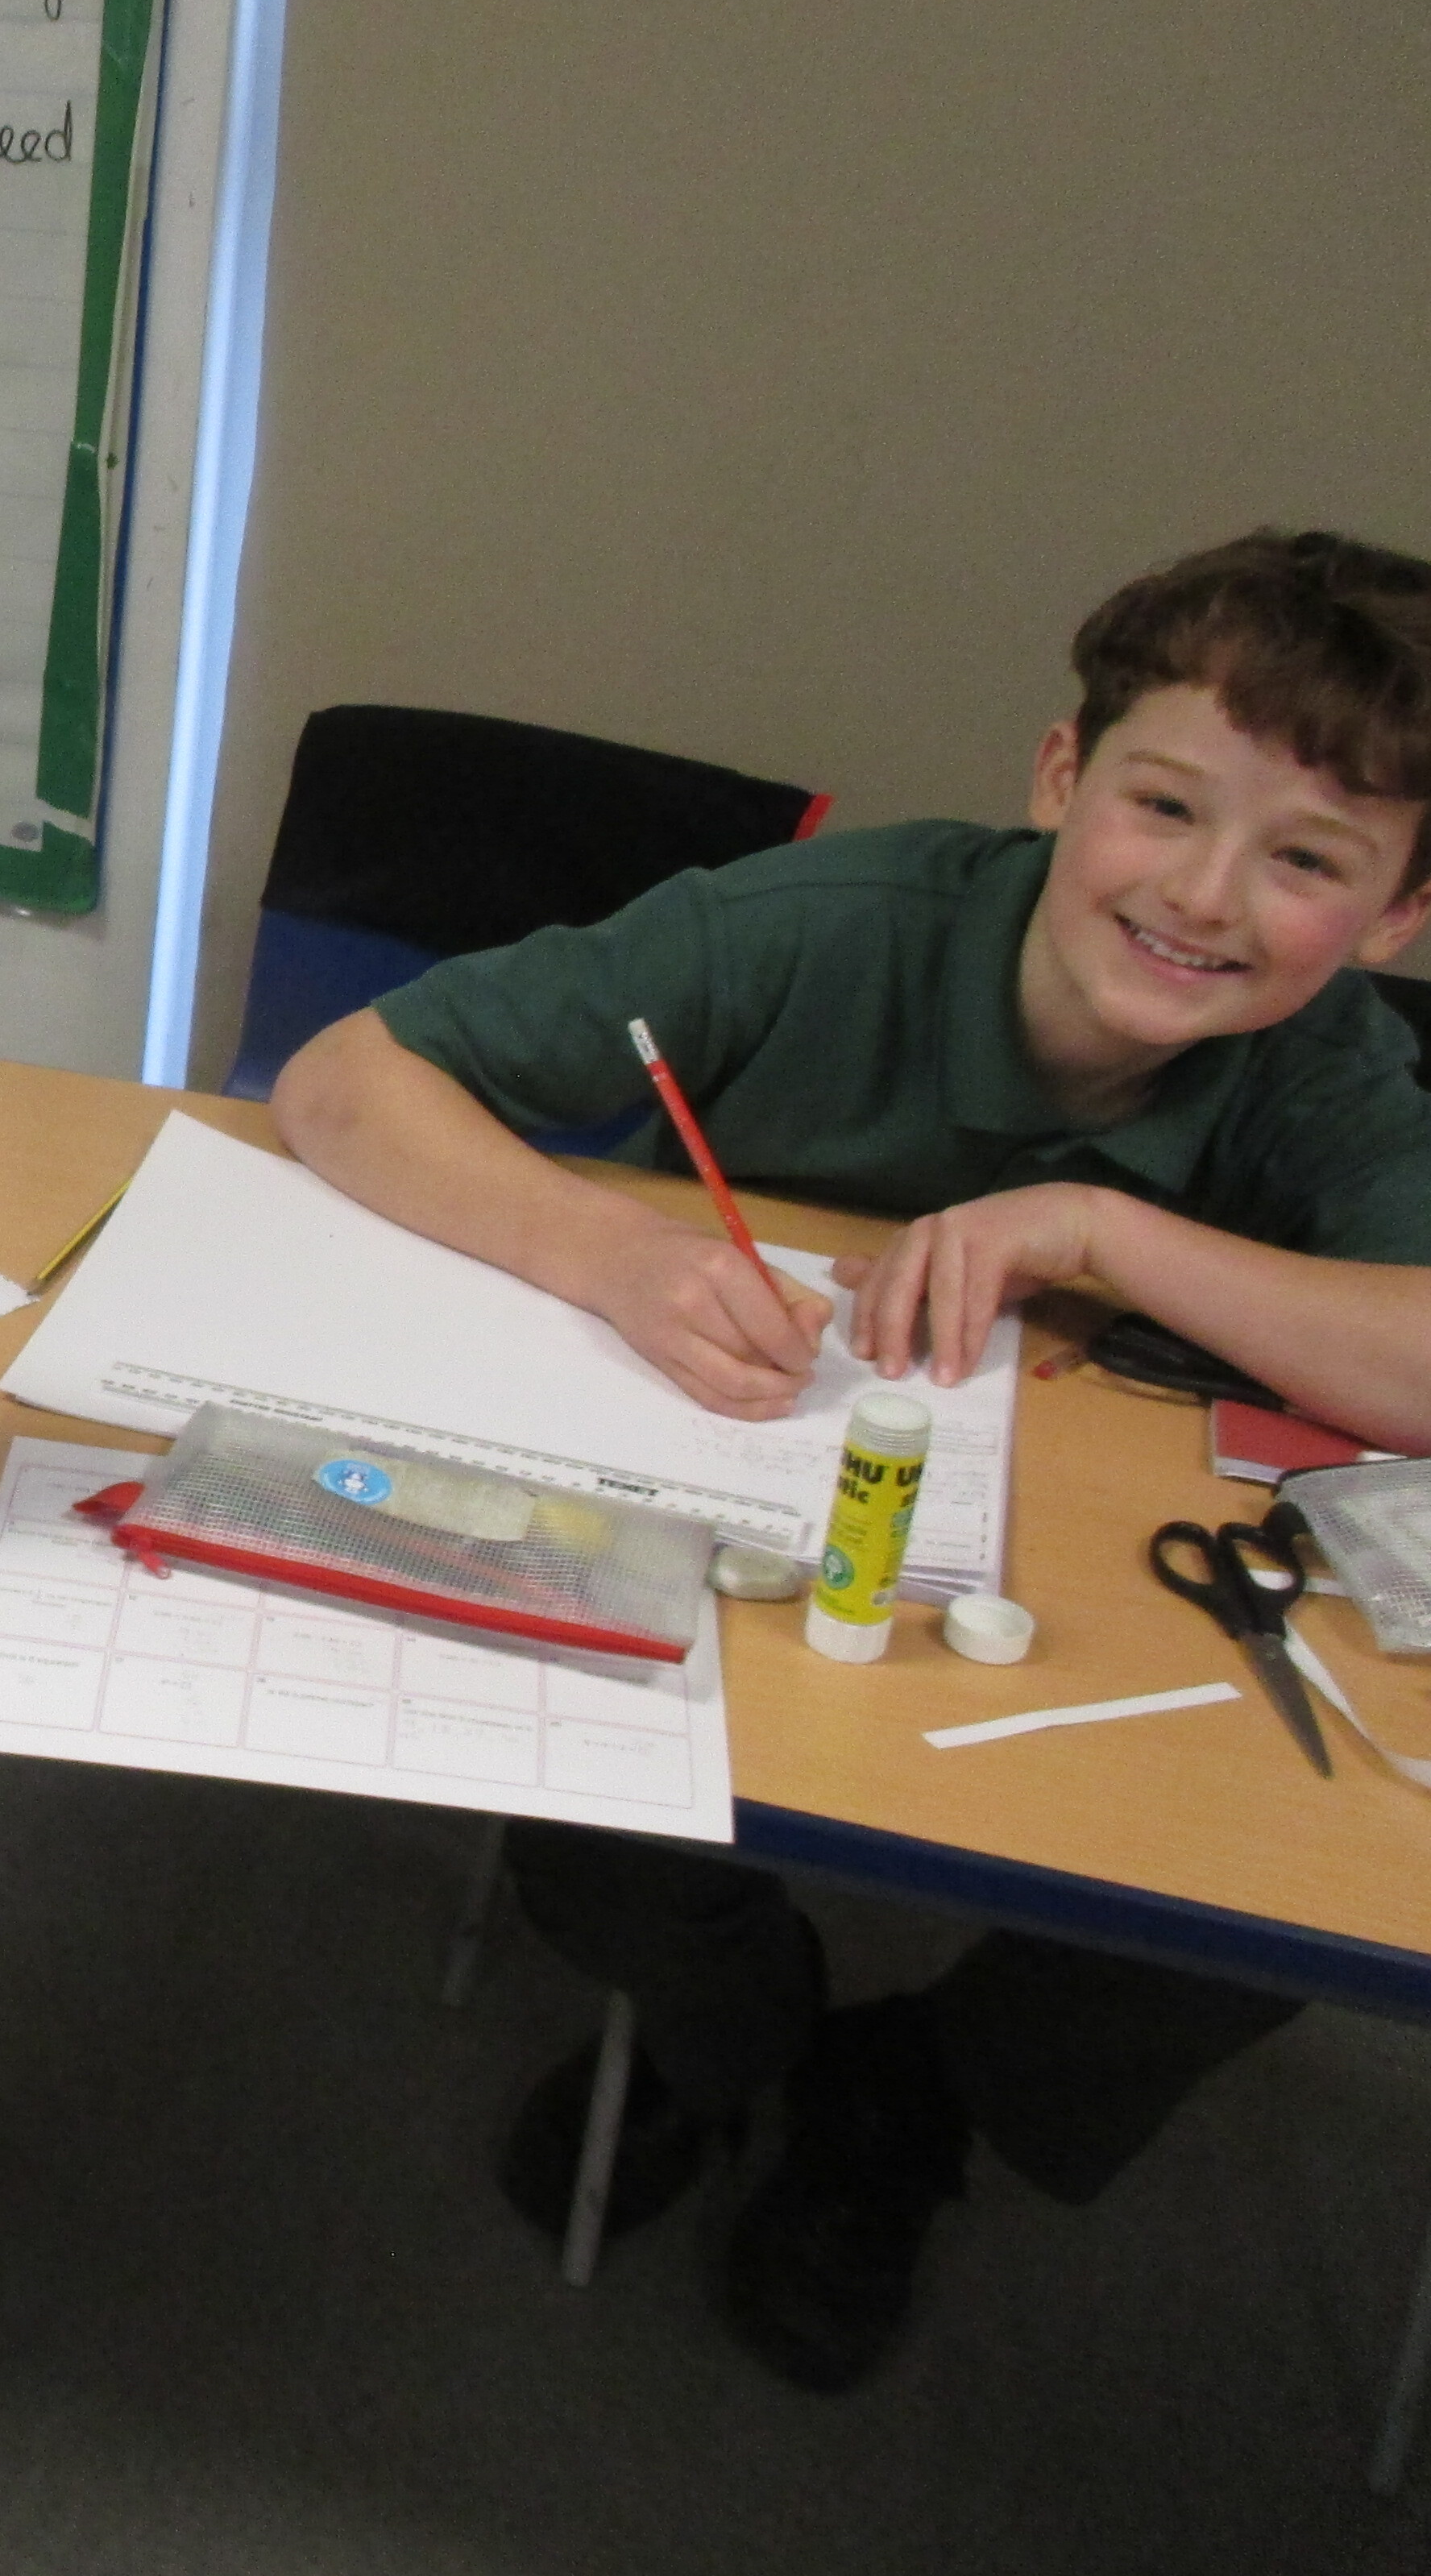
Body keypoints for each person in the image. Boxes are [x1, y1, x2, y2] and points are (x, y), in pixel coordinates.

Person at [271, 528, 1431, 2391]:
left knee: (1289, 1886)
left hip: (1097, 1623)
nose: (1207, 896)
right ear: (1062, 776)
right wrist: (612, 1251)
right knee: (571, 1767)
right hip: (724, 1522)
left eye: (1307, 861)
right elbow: (344, 1079)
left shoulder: (1325, 1065)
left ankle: (914, 2092)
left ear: (1394, 916)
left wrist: (1103, 1233)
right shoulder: (822, 928)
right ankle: (733, 2032)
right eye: (1164, 806)